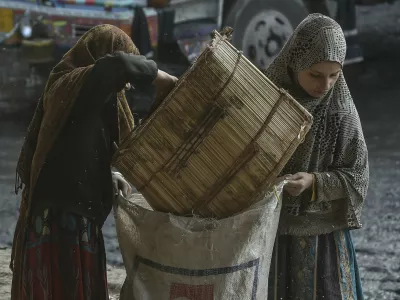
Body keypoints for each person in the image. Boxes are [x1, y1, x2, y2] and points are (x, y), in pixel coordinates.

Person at [10, 24, 178, 299]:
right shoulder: (73, 83)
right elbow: (119, 65)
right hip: (60, 215)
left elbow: (72, 148)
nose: (125, 86)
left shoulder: (92, 95)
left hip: (74, 210)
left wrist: (107, 176)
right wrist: (165, 79)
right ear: (101, 54)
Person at [265, 14, 369, 299]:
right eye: (315, 74)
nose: (324, 86)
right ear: (295, 60)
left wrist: (314, 181)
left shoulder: (340, 114)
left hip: (320, 243)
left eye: (334, 75)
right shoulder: (266, 98)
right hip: (266, 232)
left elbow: (358, 177)